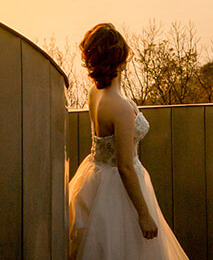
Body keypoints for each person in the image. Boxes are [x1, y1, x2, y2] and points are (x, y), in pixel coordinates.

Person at [68, 23, 189, 260]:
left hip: (94, 177)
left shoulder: (95, 93)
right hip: (118, 189)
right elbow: (124, 165)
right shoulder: (120, 108)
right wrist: (143, 213)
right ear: (119, 59)